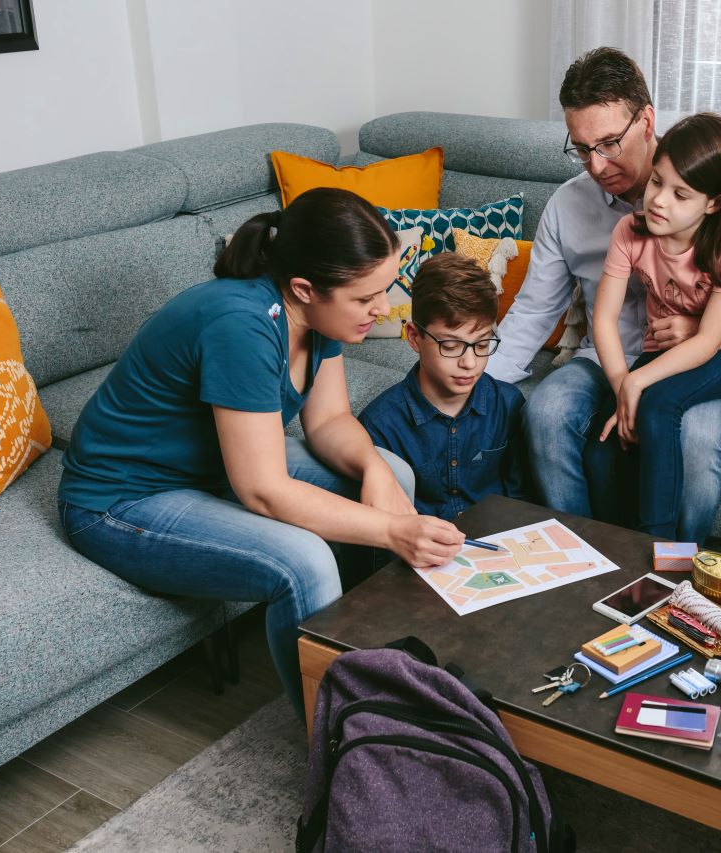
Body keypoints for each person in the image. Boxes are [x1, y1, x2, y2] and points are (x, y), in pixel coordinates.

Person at [57, 188, 465, 712]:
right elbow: (264, 491)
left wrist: (372, 468)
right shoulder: (241, 325)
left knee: (392, 471)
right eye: (366, 299)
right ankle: (336, 740)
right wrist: (392, 530)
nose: (383, 310)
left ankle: (378, 657)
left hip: (207, 468)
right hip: (120, 500)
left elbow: (330, 420)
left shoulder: (318, 316)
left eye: (383, 291)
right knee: (305, 561)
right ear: (304, 288)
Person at [484, 47, 721, 542]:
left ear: (647, 120)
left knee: (697, 440)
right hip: (606, 359)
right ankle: (584, 560)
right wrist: (465, 384)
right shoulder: (569, 207)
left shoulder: (717, 190)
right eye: (581, 148)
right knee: (547, 411)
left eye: (609, 143)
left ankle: (674, 577)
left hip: (696, 361)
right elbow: (533, 312)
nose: (596, 166)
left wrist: (710, 331)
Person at [594, 112, 721, 538]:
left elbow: (707, 342)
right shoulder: (630, 232)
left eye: (680, 193)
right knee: (609, 436)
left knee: (658, 406)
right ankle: (617, 548)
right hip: (663, 352)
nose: (659, 200)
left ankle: (660, 553)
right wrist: (620, 386)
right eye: (656, 182)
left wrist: (638, 385)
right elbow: (604, 319)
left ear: (714, 202)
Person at [359, 253, 529, 521]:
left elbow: (521, 500)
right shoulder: (380, 425)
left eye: (482, 345)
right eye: (451, 346)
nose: (470, 362)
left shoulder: (508, 405)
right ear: (415, 337)